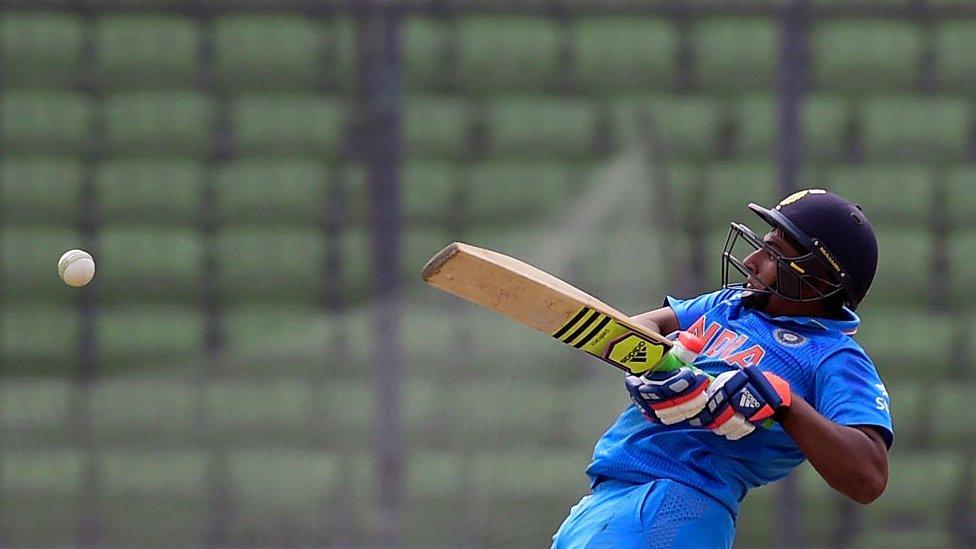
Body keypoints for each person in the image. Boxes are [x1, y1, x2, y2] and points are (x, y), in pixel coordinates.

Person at [551, 189, 892, 548]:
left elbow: (868, 476)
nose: (751, 260)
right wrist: (657, 364)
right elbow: (639, 328)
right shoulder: (732, 304)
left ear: (818, 282)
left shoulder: (835, 356)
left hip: (672, 506)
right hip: (603, 501)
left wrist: (785, 403)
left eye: (773, 253)